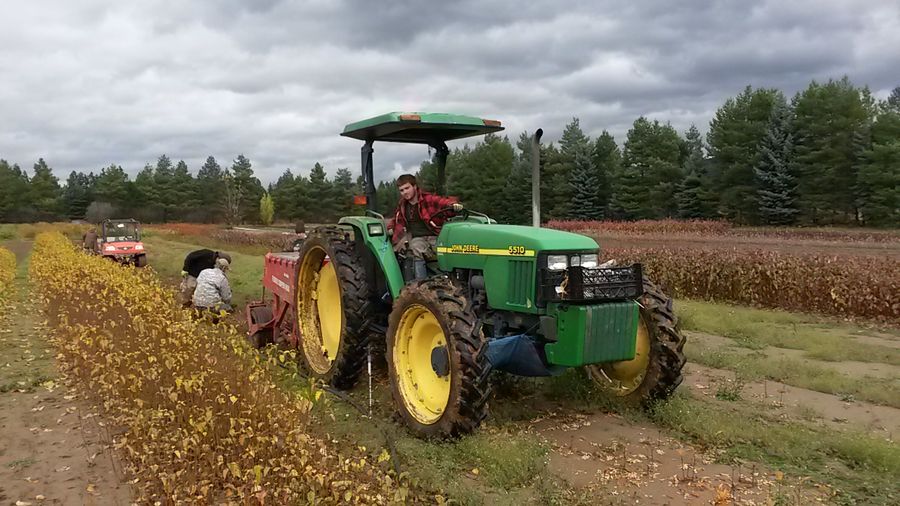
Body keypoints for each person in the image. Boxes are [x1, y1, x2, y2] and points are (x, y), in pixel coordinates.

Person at [391, 174, 463, 279]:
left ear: (414, 186)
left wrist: (453, 205)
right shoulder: (403, 205)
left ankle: (451, 279)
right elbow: (397, 219)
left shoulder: (428, 199)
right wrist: (389, 229)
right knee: (415, 247)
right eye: (402, 190)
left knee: (450, 249)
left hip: (435, 236)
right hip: (418, 238)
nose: (405, 192)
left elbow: (443, 202)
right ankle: (422, 283)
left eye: (407, 188)